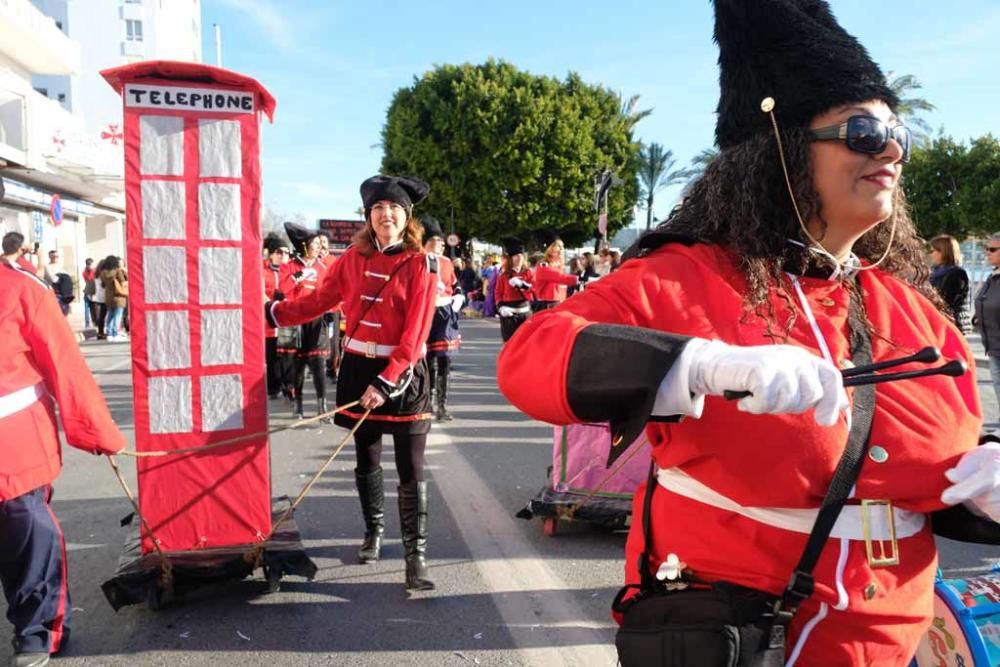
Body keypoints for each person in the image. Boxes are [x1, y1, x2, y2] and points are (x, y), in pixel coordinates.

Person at [496, 0, 998, 663]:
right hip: (747, 632)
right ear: (782, 153)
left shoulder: (909, 306)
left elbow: (923, 477)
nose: (892, 149)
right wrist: (696, 364)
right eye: (861, 130)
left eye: (897, 131)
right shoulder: (684, 277)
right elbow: (530, 360)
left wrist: (984, 483)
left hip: (894, 637)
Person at [266, 175, 439, 591]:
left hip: (402, 374)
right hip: (358, 368)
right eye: (378, 208)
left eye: (394, 208)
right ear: (368, 216)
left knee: (410, 466)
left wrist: (387, 380)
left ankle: (415, 558)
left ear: (407, 216)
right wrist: (274, 314)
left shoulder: (421, 264)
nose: (386, 215)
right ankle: (373, 533)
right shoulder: (350, 260)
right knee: (367, 458)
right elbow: (317, 301)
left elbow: (416, 336)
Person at [1, 239, 126, 667]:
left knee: (28, 536)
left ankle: (37, 629)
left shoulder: (24, 290)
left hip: (13, 448)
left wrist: (96, 431)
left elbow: (64, 364)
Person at [279, 224, 330, 420]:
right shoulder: (290, 266)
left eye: (319, 244)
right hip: (295, 319)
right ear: (304, 246)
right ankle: (298, 404)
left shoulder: (321, 267)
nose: (318, 247)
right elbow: (282, 289)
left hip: (316, 320)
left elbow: (328, 292)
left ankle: (322, 406)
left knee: (318, 363)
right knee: (297, 364)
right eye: (315, 244)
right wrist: (298, 277)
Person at [422, 217, 464, 421]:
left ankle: (442, 405)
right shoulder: (420, 260)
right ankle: (427, 402)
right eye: (436, 241)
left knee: (445, 358)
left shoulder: (447, 262)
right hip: (426, 312)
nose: (440, 244)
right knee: (428, 359)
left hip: (445, 313)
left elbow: (455, 284)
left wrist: (459, 296)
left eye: (441, 241)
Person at [974, 232, 1000, 411]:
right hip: (992, 345)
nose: (987, 253)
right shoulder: (993, 276)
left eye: (992, 249)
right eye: (986, 249)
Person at [262, 233, 289, 399]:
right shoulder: (261, 269)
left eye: (286, 252)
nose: (283, 255)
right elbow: (258, 292)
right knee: (272, 356)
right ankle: (273, 388)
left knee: (288, 356)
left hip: (288, 319)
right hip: (268, 320)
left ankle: (289, 388)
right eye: (279, 251)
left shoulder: (292, 269)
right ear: (271, 253)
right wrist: (272, 302)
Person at [494, 238, 533, 342]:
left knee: (525, 343)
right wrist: (501, 307)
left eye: (521, 256)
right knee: (509, 343)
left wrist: (523, 285)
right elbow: (498, 293)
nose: (519, 258)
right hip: (509, 314)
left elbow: (535, 289)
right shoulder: (504, 275)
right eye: (516, 256)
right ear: (511, 258)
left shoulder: (528, 273)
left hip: (524, 313)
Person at [929, 234, 970, 333]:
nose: (931, 254)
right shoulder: (934, 272)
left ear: (944, 252)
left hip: (950, 323)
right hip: (937, 321)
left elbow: (949, 300)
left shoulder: (956, 273)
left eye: (934, 250)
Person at [531, 232, 579, 311]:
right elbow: (561, 277)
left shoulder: (559, 267)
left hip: (559, 305)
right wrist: (579, 279)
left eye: (562, 247)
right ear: (550, 248)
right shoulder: (543, 266)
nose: (561, 249)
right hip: (547, 307)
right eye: (558, 246)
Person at [100, 256, 128, 342]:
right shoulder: (117, 271)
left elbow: (103, 285)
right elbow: (123, 282)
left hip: (109, 297)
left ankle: (109, 334)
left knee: (110, 315)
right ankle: (115, 334)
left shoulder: (103, 273)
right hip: (118, 296)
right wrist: (125, 272)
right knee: (117, 316)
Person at [82, 258, 97, 329]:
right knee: (91, 308)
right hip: (92, 292)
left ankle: (88, 324)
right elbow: (92, 280)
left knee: (88, 309)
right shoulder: (94, 271)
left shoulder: (84, 271)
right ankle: (91, 323)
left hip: (87, 291)